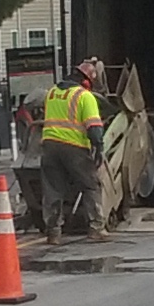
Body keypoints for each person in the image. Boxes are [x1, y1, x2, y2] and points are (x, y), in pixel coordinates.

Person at [40, 58, 108, 245]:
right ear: (87, 81)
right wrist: (99, 148)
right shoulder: (84, 96)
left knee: (53, 190)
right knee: (91, 185)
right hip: (74, 148)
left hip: (50, 146)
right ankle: (96, 227)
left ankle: (53, 232)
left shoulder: (52, 93)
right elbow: (94, 128)